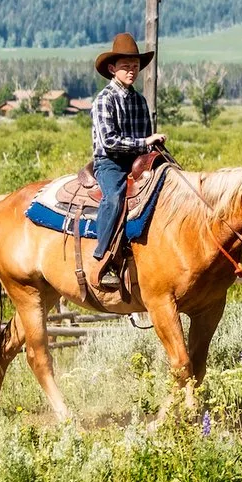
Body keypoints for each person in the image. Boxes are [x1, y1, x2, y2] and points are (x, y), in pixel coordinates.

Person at [88, 32, 166, 293]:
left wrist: (155, 150)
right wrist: (145, 143)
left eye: (135, 67)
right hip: (109, 162)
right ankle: (103, 258)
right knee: (114, 197)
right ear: (112, 69)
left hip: (136, 162)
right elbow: (109, 141)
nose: (132, 71)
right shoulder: (104, 100)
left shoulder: (139, 101)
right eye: (126, 66)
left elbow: (147, 138)